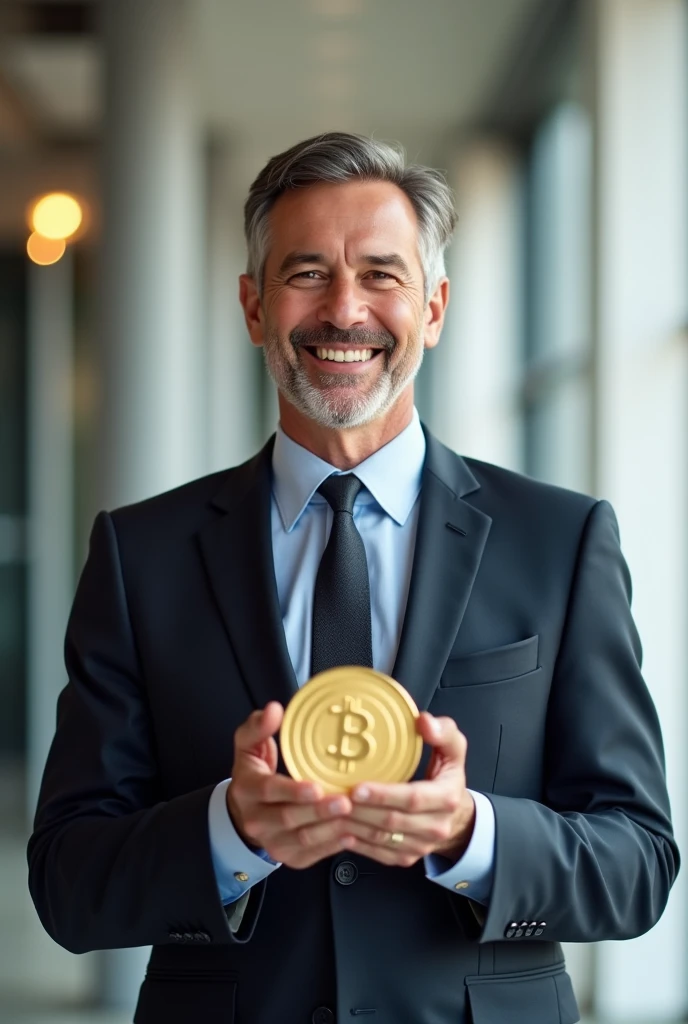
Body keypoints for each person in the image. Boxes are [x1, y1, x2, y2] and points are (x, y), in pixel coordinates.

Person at [28, 132, 678, 1024]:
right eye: (307, 274)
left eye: (381, 274)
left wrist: (471, 833)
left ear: (434, 308)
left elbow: (638, 864)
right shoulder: (141, 554)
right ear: (254, 307)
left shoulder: (560, 542)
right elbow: (67, 883)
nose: (344, 310)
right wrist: (230, 830)